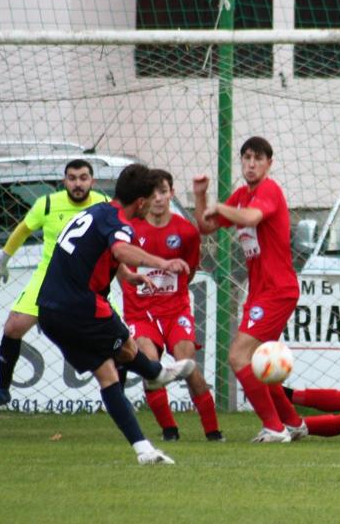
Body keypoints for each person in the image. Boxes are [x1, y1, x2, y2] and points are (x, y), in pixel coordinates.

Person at [36, 164, 194, 464]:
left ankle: (144, 450)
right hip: (80, 306)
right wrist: (163, 262)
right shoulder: (121, 221)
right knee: (126, 347)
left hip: (49, 311)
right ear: (141, 202)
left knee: (108, 376)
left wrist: (126, 275)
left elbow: (100, 251)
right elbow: (121, 250)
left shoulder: (97, 212)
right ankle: (156, 373)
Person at [192, 137, 304, 443]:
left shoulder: (268, 190)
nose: (251, 164)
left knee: (239, 356)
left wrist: (220, 206)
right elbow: (206, 227)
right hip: (261, 291)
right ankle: (292, 423)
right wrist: (201, 196)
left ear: (269, 163)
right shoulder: (242, 194)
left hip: (277, 289)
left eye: (257, 159)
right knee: (257, 360)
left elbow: (252, 217)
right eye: (246, 158)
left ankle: (274, 428)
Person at [0, 159, 108, 413]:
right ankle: (2, 389)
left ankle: (118, 394)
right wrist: (3, 260)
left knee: (116, 337)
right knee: (13, 326)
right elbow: (23, 229)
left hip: (87, 280)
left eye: (83, 178)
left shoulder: (104, 203)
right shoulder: (48, 203)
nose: (77, 183)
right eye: (72, 178)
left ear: (92, 181)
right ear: (64, 181)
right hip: (49, 276)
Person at [119, 169, 222, 442]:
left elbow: (188, 272)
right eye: (152, 194)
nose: (158, 199)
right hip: (140, 314)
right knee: (150, 365)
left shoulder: (186, 232)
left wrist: (169, 289)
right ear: (143, 199)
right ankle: (169, 430)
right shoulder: (130, 230)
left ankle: (213, 432)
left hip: (176, 311)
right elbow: (121, 270)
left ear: (172, 194)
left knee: (187, 364)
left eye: (163, 192)